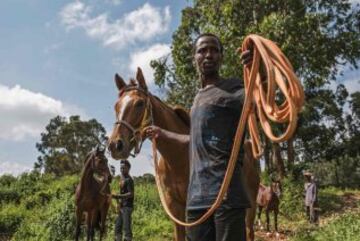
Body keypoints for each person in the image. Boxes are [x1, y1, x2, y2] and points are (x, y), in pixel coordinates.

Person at [145, 33, 254, 241]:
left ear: (221, 56)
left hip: (227, 196)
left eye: (214, 50)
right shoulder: (197, 99)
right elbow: (194, 138)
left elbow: (259, 100)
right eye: (202, 50)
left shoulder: (235, 89)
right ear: (194, 57)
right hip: (196, 198)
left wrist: (259, 72)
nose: (208, 54)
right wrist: (163, 134)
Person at [112, 160, 134, 241]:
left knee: (126, 227)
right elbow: (123, 193)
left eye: (123, 168)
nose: (121, 169)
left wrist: (117, 196)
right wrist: (118, 202)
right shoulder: (122, 178)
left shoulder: (129, 180)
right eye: (121, 168)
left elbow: (131, 194)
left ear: (128, 168)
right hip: (122, 207)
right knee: (117, 227)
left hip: (127, 207)